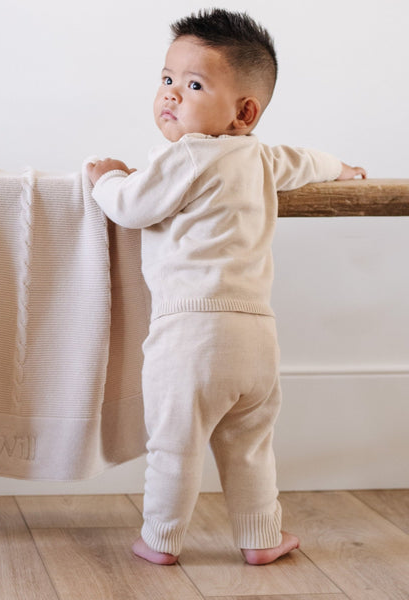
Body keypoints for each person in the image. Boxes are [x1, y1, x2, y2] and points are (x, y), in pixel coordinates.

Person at [87, 8, 366, 566]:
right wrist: (341, 168)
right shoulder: (261, 159)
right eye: (166, 79)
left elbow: (132, 207)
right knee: (250, 445)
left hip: (189, 332)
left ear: (244, 112)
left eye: (192, 85)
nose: (170, 95)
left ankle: (160, 539)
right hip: (256, 337)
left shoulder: (186, 154)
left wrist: (108, 178)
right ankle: (261, 538)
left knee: (174, 445)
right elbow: (307, 160)